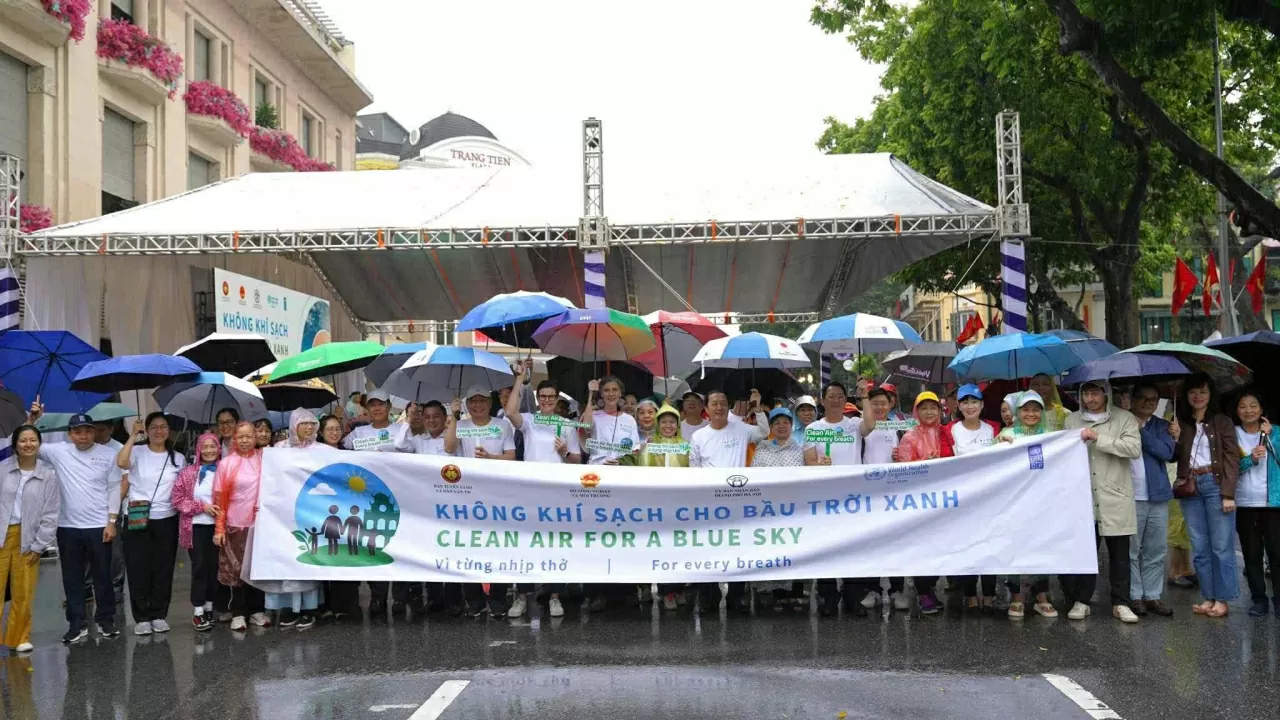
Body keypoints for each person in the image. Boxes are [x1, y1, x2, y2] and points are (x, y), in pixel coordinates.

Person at [26, 405, 122, 644]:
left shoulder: (107, 454)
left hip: (99, 525)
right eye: (77, 431)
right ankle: (76, 623)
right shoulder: (58, 451)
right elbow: (28, 444)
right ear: (69, 434)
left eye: (87, 431)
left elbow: (114, 488)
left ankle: (105, 619)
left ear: (94, 432)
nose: (83, 435)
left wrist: (112, 521)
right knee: (73, 577)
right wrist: (33, 420)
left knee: (103, 576)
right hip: (67, 526)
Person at [505, 362, 581, 619]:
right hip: (530, 491)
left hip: (556, 493)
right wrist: (519, 378)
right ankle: (522, 597)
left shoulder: (566, 425)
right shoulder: (529, 420)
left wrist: (565, 452)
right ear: (537, 399)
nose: (547, 400)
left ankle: (555, 597)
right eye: (543, 396)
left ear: (558, 399)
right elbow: (510, 410)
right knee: (525, 544)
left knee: (554, 544)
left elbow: (577, 461)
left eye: (551, 397)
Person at [1064, 380, 1142, 624]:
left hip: (1115, 494)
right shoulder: (1071, 420)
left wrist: (1099, 438)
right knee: (1086, 552)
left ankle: (1121, 602)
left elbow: (1133, 448)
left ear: (1105, 393)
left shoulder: (1124, 418)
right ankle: (1082, 600)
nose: (1090, 398)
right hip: (1084, 496)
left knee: (1120, 553)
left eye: (1095, 392)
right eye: (1085, 393)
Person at [802, 382, 883, 617]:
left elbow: (871, 424)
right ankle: (828, 597)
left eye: (840, 396)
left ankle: (852, 596)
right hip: (824, 498)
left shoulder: (853, 425)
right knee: (826, 546)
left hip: (853, 497)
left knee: (852, 547)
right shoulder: (813, 429)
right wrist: (820, 464)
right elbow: (809, 461)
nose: (835, 400)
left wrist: (865, 396)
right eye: (831, 396)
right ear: (822, 400)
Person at [689, 389, 767, 614]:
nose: (719, 407)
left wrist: (758, 407)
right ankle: (709, 597)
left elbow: (763, 432)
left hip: (738, 499)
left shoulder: (741, 428)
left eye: (723, 403)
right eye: (714, 403)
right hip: (709, 502)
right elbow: (694, 468)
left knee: (737, 549)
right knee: (708, 549)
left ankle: (736, 596)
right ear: (707, 409)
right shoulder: (699, 436)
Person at [446, 385, 516, 618]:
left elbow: (511, 457)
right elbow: (449, 447)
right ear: (467, 404)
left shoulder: (502, 425)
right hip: (468, 495)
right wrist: (453, 416)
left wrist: (490, 458)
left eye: (482, 400)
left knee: (498, 546)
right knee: (470, 546)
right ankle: (474, 601)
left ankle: (498, 600)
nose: (478, 405)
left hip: (497, 494)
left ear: (490, 402)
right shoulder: (462, 425)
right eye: (473, 401)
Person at [1174, 373, 1239, 619]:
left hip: (1215, 483)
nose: (1198, 396)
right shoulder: (1182, 422)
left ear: (1210, 394)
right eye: (1192, 392)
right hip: (1190, 485)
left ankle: (1223, 599)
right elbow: (1173, 456)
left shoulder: (1222, 422)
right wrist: (1176, 438)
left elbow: (1232, 457)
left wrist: (1228, 493)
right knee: (1199, 546)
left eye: (1202, 391)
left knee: (1221, 546)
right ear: (1186, 396)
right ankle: (1209, 596)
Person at [116, 413, 186, 636]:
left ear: (169, 430)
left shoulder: (178, 458)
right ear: (146, 429)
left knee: (163, 568)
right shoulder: (137, 452)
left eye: (163, 427)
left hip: (166, 518)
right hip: (138, 516)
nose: (159, 431)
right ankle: (141, 617)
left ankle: (159, 614)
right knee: (138, 567)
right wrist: (131, 437)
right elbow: (121, 462)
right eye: (153, 427)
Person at [0, 425, 61, 652]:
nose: (28, 444)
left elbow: (51, 513)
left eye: (32, 440)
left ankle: (19, 637)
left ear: (39, 443)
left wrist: (39, 545)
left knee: (23, 590)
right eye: (23, 440)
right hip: (1, 535)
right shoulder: (2, 470)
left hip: (28, 536)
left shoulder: (48, 475)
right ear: (15, 444)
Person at [261, 409, 322, 629]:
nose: (308, 427)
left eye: (311, 423)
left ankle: (308, 609)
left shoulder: (321, 450)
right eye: (303, 423)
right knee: (285, 560)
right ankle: (287, 607)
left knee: (307, 559)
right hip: (282, 514)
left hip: (310, 513)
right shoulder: (279, 449)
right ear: (293, 425)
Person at [996, 391, 1055, 619]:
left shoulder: (1051, 435)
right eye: (1026, 409)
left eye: (1036, 409)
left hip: (1041, 502)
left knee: (1042, 548)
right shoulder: (1007, 433)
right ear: (1018, 412)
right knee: (1015, 548)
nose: (1031, 414)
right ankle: (1016, 597)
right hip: (1015, 503)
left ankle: (1042, 597)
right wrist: (999, 444)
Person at [942, 384, 1001, 612]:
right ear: (958, 405)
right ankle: (970, 595)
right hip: (963, 499)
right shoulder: (949, 430)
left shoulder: (995, 429)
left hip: (991, 499)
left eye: (974, 401)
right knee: (968, 546)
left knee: (990, 545)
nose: (970, 406)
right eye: (965, 402)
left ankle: (988, 594)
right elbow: (946, 461)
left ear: (982, 404)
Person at [892, 391, 948, 615]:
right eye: (923, 408)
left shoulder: (948, 433)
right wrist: (926, 463)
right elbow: (906, 472)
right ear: (916, 411)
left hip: (946, 499)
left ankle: (930, 587)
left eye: (933, 407)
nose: (929, 412)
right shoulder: (910, 437)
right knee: (923, 546)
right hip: (921, 501)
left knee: (940, 546)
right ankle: (923, 590)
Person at [748, 408, 808, 612]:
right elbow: (754, 477)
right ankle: (773, 594)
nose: (782, 426)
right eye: (777, 423)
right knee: (772, 550)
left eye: (786, 422)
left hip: (793, 510)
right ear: (771, 427)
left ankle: (795, 593)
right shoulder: (762, 449)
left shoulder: (799, 449)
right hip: (768, 510)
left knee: (794, 550)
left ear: (791, 426)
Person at [214, 422, 270, 631]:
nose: (245, 441)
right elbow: (219, 498)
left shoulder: (264, 460)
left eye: (249, 436)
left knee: (257, 569)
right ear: (234, 439)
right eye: (241, 437)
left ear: (255, 438)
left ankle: (257, 610)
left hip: (259, 524)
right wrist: (219, 529)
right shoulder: (226, 464)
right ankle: (238, 612)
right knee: (237, 571)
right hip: (235, 524)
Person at [1128, 381, 1176, 618]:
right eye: (1143, 398)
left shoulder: (1162, 426)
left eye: (1153, 400)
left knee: (1156, 549)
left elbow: (1165, 452)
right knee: (1132, 549)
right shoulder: (1121, 421)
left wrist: (1142, 431)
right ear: (1132, 399)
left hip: (1157, 495)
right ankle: (1135, 596)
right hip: (1129, 495)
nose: (1148, 403)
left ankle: (1153, 596)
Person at [1232, 390, 1280, 617]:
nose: (1248, 410)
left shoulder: (1276, 432)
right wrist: (1249, 459)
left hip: (1273, 504)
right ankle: (1259, 599)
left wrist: (1271, 438)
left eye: (1253, 405)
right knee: (1252, 556)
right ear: (1237, 411)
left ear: (1261, 410)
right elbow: (1229, 467)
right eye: (1243, 406)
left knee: (1276, 554)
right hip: (1245, 503)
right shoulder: (1232, 435)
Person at [171, 432, 221, 631]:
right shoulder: (188, 473)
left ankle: (210, 607)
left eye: (213, 446)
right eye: (205, 447)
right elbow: (177, 499)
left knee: (214, 567)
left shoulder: (224, 471)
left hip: (218, 528)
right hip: (195, 527)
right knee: (199, 567)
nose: (209, 450)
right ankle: (198, 611)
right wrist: (201, 506)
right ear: (198, 449)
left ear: (219, 449)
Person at [581, 377, 641, 466]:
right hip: (597, 467)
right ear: (601, 394)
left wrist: (620, 462)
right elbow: (587, 427)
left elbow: (635, 449)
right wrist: (591, 394)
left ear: (620, 393)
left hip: (620, 469)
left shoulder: (629, 420)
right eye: (606, 390)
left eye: (615, 390)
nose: (611, 394)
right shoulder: (594, 415)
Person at [621, 403, 690, 469]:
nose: (668, 425)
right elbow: (632, 459)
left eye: (672, 422)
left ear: (677, 425)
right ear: (658, 425)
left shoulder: (685, 445)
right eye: (664, 422)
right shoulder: (649, 443)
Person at [342, 390, 407, 452]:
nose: (377, 408)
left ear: (389, 406)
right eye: (373, 405)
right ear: (367, 408)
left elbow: (412, 451)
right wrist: (339, 419)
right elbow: (338, 447)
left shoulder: (402, 430)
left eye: (381, 404)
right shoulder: (358, 432)